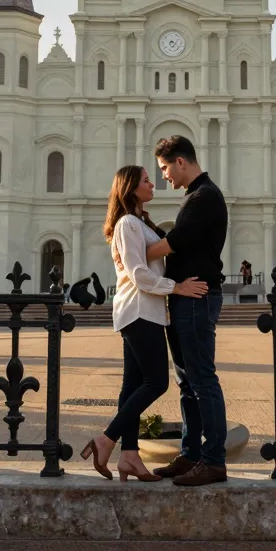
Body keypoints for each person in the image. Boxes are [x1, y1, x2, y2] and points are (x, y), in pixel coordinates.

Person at [80, 165, 208, 482]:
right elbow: (138, 274)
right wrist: (176, 288)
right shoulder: (127, 224)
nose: (153, 184)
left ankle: (129, 456)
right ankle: (105, 440)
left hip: (142, 312)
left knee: (132, 387)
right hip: (139, 311)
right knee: (157, 382)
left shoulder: (139, 223)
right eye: (146, 180)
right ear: (131, 188)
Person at [145, 136, 229, 486]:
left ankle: (213, 460)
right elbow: (178, 242)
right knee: (186, 382)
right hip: (183, 297)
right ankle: (191, 453)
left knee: (202, 379)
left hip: (196, 297)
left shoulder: (204, 197)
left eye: (164, 168)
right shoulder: (194, 197)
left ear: (181, 161)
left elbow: (173, 243)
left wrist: (134, 252)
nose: (163, 175)